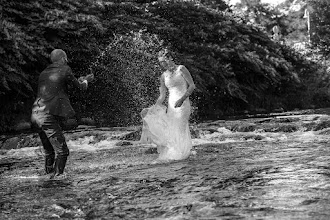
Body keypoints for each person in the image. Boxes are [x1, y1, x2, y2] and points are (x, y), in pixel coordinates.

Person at [31, 49, 94, 179]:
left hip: (36, 115)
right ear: (63, 59)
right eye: (66, 58)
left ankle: (48, 178)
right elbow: (81, 88)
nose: (67, 60)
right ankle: (57, 179)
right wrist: (86, 80)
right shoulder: (65, 69)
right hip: (47, 115)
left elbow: (57, 87)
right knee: (63, 152)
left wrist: (78, 80)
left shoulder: (44, 73)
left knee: (49, 151)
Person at [140, 49, 196, 162]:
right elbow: (162, 96)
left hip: (183, 105)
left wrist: (182, 99)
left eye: (164, 61)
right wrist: (153, 107)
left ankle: (179, 154)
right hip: (171, 106)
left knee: (179, 127)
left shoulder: (182, 69)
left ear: (170, 58)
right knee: (172, 128)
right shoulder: (163, 76)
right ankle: (178, 152)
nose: (162, 64)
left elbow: (192, 86)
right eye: (160, 62)